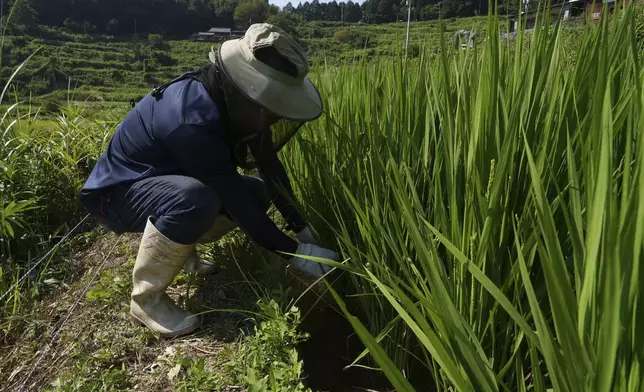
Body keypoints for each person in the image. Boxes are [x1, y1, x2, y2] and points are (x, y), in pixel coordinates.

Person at [79, 24, 339, 338]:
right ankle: (146, 300)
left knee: (255, 191)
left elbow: (270, 169)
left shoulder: (241, 105)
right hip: (117, 193)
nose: (272, 117)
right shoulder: (192, 120)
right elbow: (236, 203)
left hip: (163, 179)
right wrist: (297, 254)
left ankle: (184, 254)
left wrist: (302, 229)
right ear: (245, 87)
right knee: (195, 198)